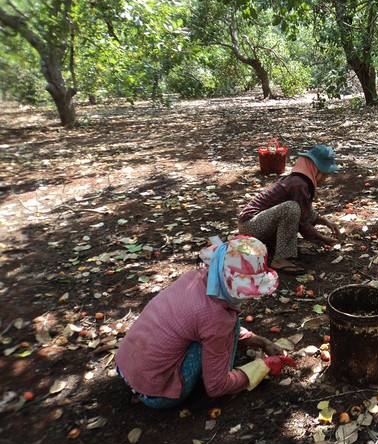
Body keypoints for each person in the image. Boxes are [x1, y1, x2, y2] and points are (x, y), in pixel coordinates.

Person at [115, 236, 296, 409]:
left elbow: (209, 328)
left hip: (126, 366)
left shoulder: (196, 277)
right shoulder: (217, 318)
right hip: (156, 394)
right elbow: (217, 386)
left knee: (228, 324)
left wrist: (263, 342)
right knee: (227, 325)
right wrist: (261, 367)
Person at [238, 144, 342, 275]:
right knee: (291, 208)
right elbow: (302, 223)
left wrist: (325, 222)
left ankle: (274, 245)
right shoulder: (299, 184)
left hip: (258, 224)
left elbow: (306, 211)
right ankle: (280, 260)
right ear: (315, 169)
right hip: (250, 226)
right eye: (325, 174)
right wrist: (322, 238)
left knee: (296, 207)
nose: (325, 179)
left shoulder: (300, 181)